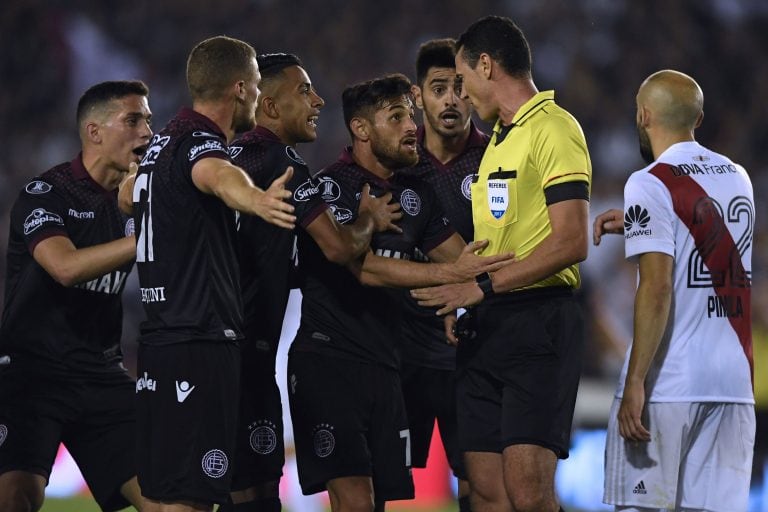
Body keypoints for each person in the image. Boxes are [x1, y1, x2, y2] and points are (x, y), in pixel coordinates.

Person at [287, 73, 513, 512]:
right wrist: (453, 273)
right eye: (397, 118)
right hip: (331, 363)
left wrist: (502, 271)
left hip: (389, 368)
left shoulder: (415, 193)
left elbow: (458, 258)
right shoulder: (332, 189)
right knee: (355, 501)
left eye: (410, 116)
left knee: (381, 502)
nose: (412, 127)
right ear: (362, 129)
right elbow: (366, 270)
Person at [412, 15, 592, 512]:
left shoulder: (554, 128)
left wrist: (483, 288)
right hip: (485, 326)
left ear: (486, 66)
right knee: (487, 494)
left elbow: (573, 241)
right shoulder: (497, 141)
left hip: (538, 322)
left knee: (529, 494)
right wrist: (461, 295)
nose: (462, 96)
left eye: (464, 81)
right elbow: (498, 238)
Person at [222, 52, 401, 512]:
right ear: (271, 107)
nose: (318, 100)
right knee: (251, 497)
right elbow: (340, 248)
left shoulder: (226, 158)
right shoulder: (283, 162)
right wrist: (368, 219)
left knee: (245, 494)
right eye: (304, 91)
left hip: (223, 349)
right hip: (244, 355)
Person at [131, 36, 296, 512]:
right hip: (200, 345)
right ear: (241, 89)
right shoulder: (200, 145)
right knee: (194, 498)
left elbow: (134, 197)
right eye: (258, 85)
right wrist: (257, 200)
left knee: (166, 496)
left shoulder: (160, 146)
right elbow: (218, 176)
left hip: (159, 344)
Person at [593, 70, 755, 512]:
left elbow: (659, 288)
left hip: (669, 386)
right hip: (734, 384)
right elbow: (707, 239)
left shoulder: (648, 182)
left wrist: (635, 382)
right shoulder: (739, 177)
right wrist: (637, 222)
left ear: (643, 115)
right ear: (697, 118)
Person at [0, 80, 152, 512]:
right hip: (32, 373)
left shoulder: (143, 201)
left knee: (167, 499)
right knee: (16, 498)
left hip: (101, 373)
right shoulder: (45, 193)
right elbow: (65, 268)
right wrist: (147, 234)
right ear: (94, 131)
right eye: (134, 119)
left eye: (149, 120)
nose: (147, 132)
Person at [399, 38, 489, 512]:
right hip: (402, 349)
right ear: (417, 96)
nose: (451, 99)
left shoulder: (496, 158)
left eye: (459, 87)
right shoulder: (397, 164)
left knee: (479, 482)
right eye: (439, 88)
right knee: (381, 477)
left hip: (472, 350)